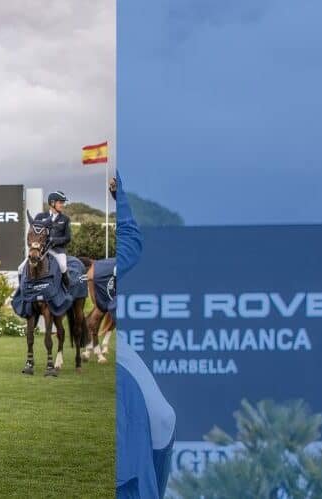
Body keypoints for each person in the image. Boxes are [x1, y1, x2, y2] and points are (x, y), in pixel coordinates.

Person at [113, 170, 175, 499]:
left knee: (163, 416)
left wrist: (118, 196)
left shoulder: (112, 262)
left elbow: (131, 243)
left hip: (111, 344)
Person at [17, 191, 72, 286]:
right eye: (60, 202)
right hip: (41, 250)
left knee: (63, 266)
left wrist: (54, 240)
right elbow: (33, 233)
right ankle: (21, 291)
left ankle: (67, 290)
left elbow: (67, 238)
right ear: (52, 203)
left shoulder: (65, 219)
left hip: (57, 251)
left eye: (63, 202)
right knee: (20, 268)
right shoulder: (40, 216)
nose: (62, 205)